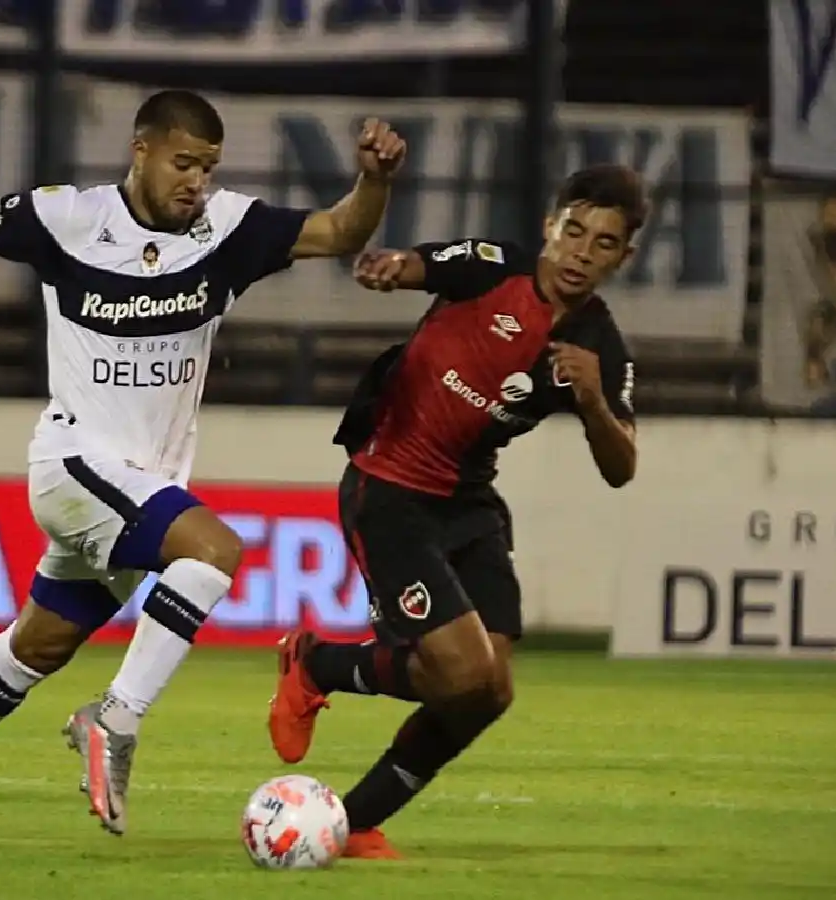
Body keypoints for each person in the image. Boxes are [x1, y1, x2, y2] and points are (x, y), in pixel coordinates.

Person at [0, 89, 407, 847]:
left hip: (139, 487)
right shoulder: (69, 218)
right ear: (141, 151)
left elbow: (338, 230)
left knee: (40, 645)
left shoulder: (227, 230)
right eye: (183, 162)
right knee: (215, 553)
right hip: (73, 464)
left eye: (207, 167)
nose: (196, 180)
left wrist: (376, 182)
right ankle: (115, 719)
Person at [266, 164, 643, 860]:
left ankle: (353, 822)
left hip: (468, 504)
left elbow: (623, 468)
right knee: (460, 673)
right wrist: (389, 268)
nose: (582, 253)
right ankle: (317, 665)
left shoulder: (599, 347)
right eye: (575, 231)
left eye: (604, 242)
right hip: (389, 490)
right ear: (549, 228)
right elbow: (419, 265)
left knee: (488, 690)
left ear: (625, 256)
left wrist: (592, 400)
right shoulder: (494, 267)